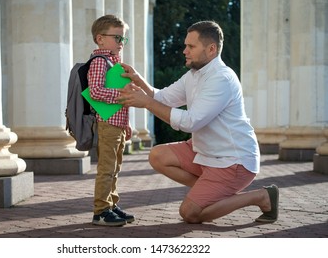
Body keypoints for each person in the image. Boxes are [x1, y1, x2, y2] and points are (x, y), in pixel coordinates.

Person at [118, 20, 279, 224]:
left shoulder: (221, 78)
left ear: (211, 49)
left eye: (191, 46)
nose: (185, 50)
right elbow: (163, 98)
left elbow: (191, 122)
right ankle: (209, 191)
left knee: (190, 213)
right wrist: (140, 82)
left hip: (232, 160)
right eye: (186, 45)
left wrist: (147, 103)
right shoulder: (193, 75)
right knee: (158, 155)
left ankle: (262, 196)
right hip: (204, 153)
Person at [88, 15, 134, 226]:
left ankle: (111, 204)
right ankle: (101, 211)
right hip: (107, 124)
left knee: (115, 168)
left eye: (123, 39)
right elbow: (96, 91)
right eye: (117, 38)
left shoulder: (115, 63)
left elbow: (119, 100)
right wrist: (121, 93)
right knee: (106, 168)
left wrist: (126, 124)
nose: (121, 43)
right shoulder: (99, 62)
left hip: (118, 124)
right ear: (100, 39)